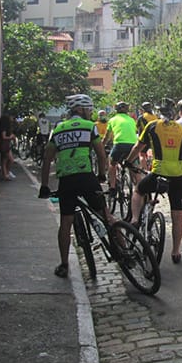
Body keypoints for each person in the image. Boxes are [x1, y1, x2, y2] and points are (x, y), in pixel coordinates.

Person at [38, 94, 111, 278]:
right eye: (88, 109)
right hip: (86, 177)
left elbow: (47, 159)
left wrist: (44, 185)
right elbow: (101, 155)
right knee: (106, 215)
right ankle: (125, 251)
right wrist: (102, 175)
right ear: (80, 109)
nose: (90, 112)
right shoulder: (89, 126)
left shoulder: (58, 129)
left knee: (65, 223)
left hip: (67, 181)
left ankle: (64, 264)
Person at [125, 98, 182, 263]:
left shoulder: (152, 126)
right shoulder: (181, 128)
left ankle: (134, 219)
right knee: (177, 213)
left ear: (158, 112)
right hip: (179, 174)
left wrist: (128, 161)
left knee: (139, 190)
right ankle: (176, 251)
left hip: (159, 172)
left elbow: (138, 147)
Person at [103, 101, 139, 195]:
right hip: (133, 145)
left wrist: (102, 146)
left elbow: (106, 137)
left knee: (112, 163)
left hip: (119, 144)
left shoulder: (112, 120)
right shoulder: (132, 120)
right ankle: (138, 187)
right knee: (132, 165)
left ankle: (112, 187)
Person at [0, 114, 16, 180]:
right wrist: (11, 137)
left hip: (6, 145)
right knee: (10, 160)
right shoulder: (4, 128)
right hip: (4, 145)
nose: (12, 119)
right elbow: (4, 137)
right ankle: (6, 173)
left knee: (5, 160)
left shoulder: (6, 127)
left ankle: (6, 174)